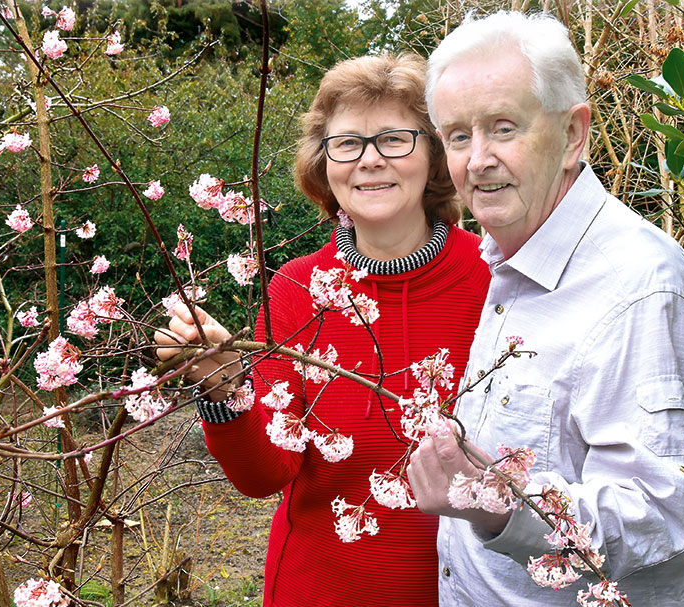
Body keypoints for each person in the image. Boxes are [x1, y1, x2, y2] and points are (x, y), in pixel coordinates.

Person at [406, 10, 684, 607]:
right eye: (458, 135)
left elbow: (654, 512)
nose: (477, 158)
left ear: (574, 135)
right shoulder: (511, 256)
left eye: (503, 128)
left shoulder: (638, 287)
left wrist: (489, 502)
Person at [154, 54, 491, 606]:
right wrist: (226, 389)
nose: (369, 161)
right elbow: (264, 474)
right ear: (324, 163)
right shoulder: (295, 288)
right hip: (319, 588)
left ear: (433, 156)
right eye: (347, 143)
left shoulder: (493, 278)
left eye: (394, 139)